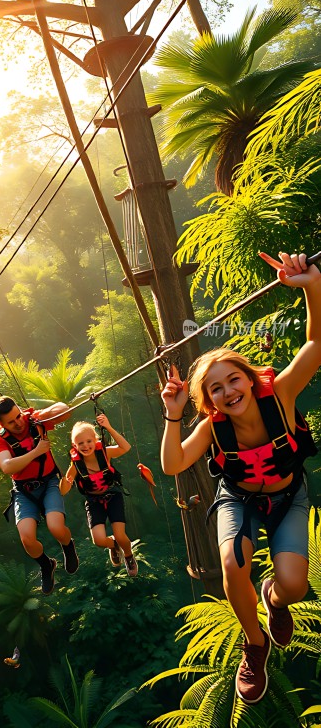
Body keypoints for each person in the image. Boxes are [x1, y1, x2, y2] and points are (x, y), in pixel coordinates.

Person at [160, 251, 321, 705]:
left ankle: (274, 598)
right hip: (240, 500)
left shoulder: (281, 396)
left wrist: (311, 285)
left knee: (294, 585)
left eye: (233, 380)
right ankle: (255, 643)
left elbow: (316, 345)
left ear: (250, 380)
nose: (228, 391)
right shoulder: (213, 427)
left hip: (288, 496)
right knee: (232, 563)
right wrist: (174, 417)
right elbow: (174, 465)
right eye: (215, 388)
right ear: (208, 401)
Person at [0, 396, 79, 595]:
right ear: (1, 424)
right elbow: (6, 466)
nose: (18, 423)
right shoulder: (0, 442)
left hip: (49, 482)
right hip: (24, 491)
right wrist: (36, 452)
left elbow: (65, 410)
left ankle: (68, 546)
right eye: (11, 422)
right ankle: (46, 565)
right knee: (28, 540)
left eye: (18, 416)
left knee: (56, 527)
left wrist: (40, 416)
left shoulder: (34, 422)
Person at [60, 413, 138, 577]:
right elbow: (64, 491)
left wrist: (108, 427)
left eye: (89, 441)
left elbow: (126, 447)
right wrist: (64, 481)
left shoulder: (104, 453)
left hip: (112, 495)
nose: (86, 446)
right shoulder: (76, 464)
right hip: (93, 500)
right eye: (80, 443)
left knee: (120, 533)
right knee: (99, 541)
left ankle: (129, 556)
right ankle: (113, 545)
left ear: (95, 440)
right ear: (75, 446)